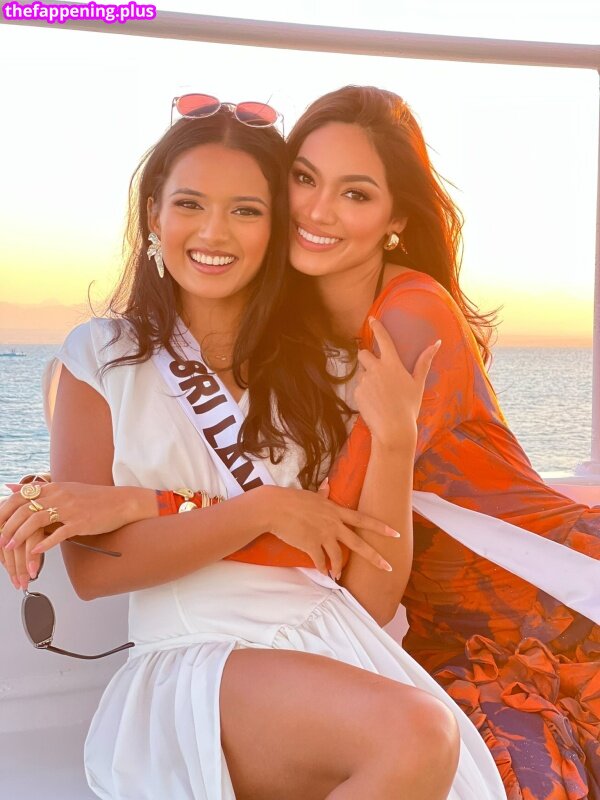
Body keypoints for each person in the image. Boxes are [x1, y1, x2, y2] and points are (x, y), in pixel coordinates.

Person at [0, 98, 506, 800]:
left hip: (337, 654)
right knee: (420, 733)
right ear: (153, 214)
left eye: (245, 210)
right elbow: (94, 569)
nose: (214, 232)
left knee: (434, 744)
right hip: (195, 667)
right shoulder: (104, 356)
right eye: (190, 204)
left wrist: (394, 441)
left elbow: (369, 594)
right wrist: (263, 510)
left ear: (275, 227)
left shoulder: (330, 371)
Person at [284, 84, 600, 800]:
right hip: (447, 634)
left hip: (554, 597)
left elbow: (344, 515)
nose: (317, 210)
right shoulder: (290, 329)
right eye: (303, 178)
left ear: (396, 218)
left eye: (355, 194)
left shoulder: (413, 315)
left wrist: (155, 511)